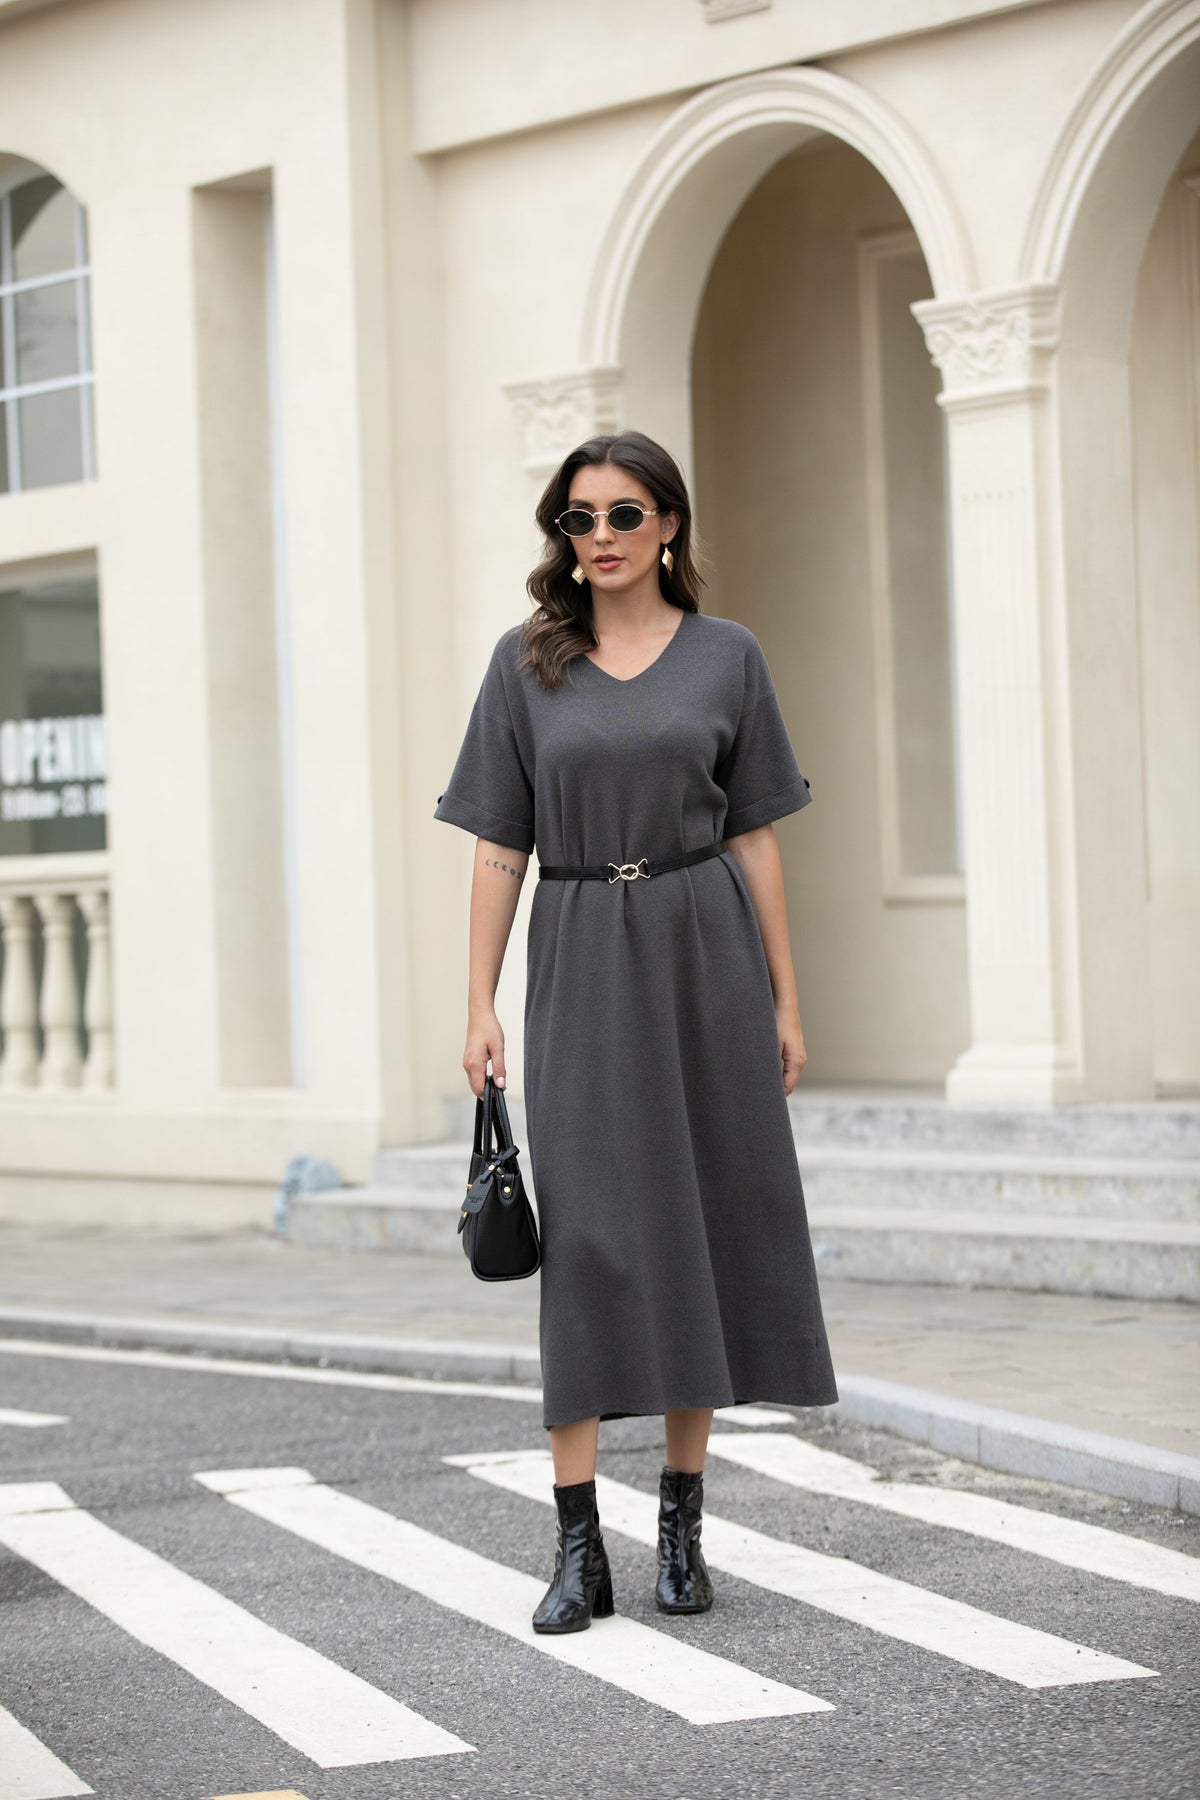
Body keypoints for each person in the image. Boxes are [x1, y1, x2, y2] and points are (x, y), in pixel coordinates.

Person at [434, 429, 838, 1635]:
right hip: (579, 951)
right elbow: (499, 844)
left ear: (667, 524)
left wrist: (787, 999)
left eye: (622, 514)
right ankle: (576, 1548)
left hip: (705, 950)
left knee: (698, 1225)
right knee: (595, 1237)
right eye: (578, 518)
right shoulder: (527, 665)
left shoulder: (729, 656)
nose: (599, 537)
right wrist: (477, 1001)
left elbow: (755, 833)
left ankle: (680, 1530)